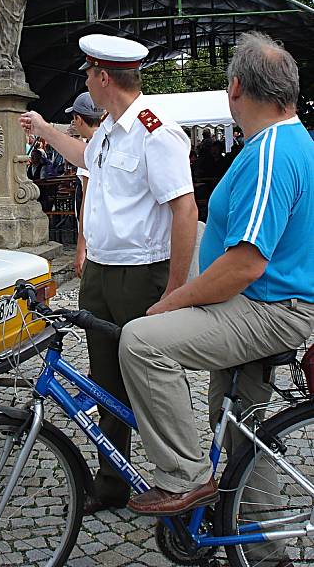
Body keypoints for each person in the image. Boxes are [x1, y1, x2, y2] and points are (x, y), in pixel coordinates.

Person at [118, 31, 314, 567]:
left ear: (234, 89)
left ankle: (184, 477)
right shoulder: (293, 141)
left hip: (266, 307)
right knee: (243, 428)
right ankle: (264, 546)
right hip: (274, 304)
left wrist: (174, 301)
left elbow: (246, 263)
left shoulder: (271, 152)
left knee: (141, 341)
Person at [21, 33, 198, 514]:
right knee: (104, 378)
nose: (84, 80)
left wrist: (177, 290)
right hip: (100, 271)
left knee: (151, 377)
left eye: (87, 73)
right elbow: (85, 158)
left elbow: (184, 210)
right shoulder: (110, 131)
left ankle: (182, 478)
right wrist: (43, 129)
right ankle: (113, 477)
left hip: (141, 275)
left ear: (103, 78)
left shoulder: (154, 130)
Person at [64, 92, 104, 278]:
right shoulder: (106, 141)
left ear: (78, 119)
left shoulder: (91, 150)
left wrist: (81, 247)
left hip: (96, 237)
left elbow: (87, 202)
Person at [27, 147, 57, 212]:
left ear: (39, 157)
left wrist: (32, 182)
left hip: (42, 192)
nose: (32, 158)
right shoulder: (29, 167)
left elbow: (43, 179)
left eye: (34, 156)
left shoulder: (44, 167)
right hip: (31, 191)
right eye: (31, 156)